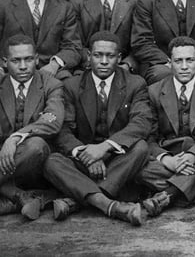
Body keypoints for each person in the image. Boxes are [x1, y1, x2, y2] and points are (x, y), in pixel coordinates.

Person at [43, 31, 152, 226]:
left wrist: (105, 147)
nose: (103, 61)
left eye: (110, 56)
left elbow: (141, 122)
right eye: (98, 55)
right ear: (88, 56)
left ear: (119, 58)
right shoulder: (71, 85)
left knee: (141, 147)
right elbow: (64, 129)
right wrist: (86, 155)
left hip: (118, 159)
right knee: (51, 161)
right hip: (83, 159)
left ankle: (79, 200)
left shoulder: (135, 84)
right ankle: (110, 205)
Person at [136, 37, 195, 216]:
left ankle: (168, 195)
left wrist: (193, 155)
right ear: (169, 63)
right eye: (178, 61)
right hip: (168, 155)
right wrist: (166, 160)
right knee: (138, 169)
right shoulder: (153, 91)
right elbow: (148, 136)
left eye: (189, 60)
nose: (184, 66)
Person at [0, 35, 64, 220]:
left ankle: (13, 196)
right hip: (3, 159)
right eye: (16, 60)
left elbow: (53, 120)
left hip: (33, 163)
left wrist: (15, 137)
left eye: (28, 59)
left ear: (36, 59)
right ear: (5, 62)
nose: (23, 66)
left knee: (36, 145)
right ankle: (19, 196)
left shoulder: (51, 84)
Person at [0, 0, 82, 79]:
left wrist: (54, 64)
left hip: (51, 74)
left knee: (68, 84)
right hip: (11, 72)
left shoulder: (64, 8)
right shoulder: (4, 6)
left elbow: (73, 47)